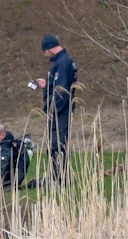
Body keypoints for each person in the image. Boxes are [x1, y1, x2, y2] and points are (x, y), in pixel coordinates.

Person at [34, 34, 77, 186]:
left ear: (50, 48)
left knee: (57, 145)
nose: (45, 55)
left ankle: (61, 179)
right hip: (61, 111)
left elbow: (62, 90)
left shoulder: (63, 63)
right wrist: (47, 84)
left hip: (60, 113)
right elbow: (59, 84)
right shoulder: (63, 62)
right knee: (56, 144)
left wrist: (51, 108)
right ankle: (57, 176)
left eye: (45, 51)